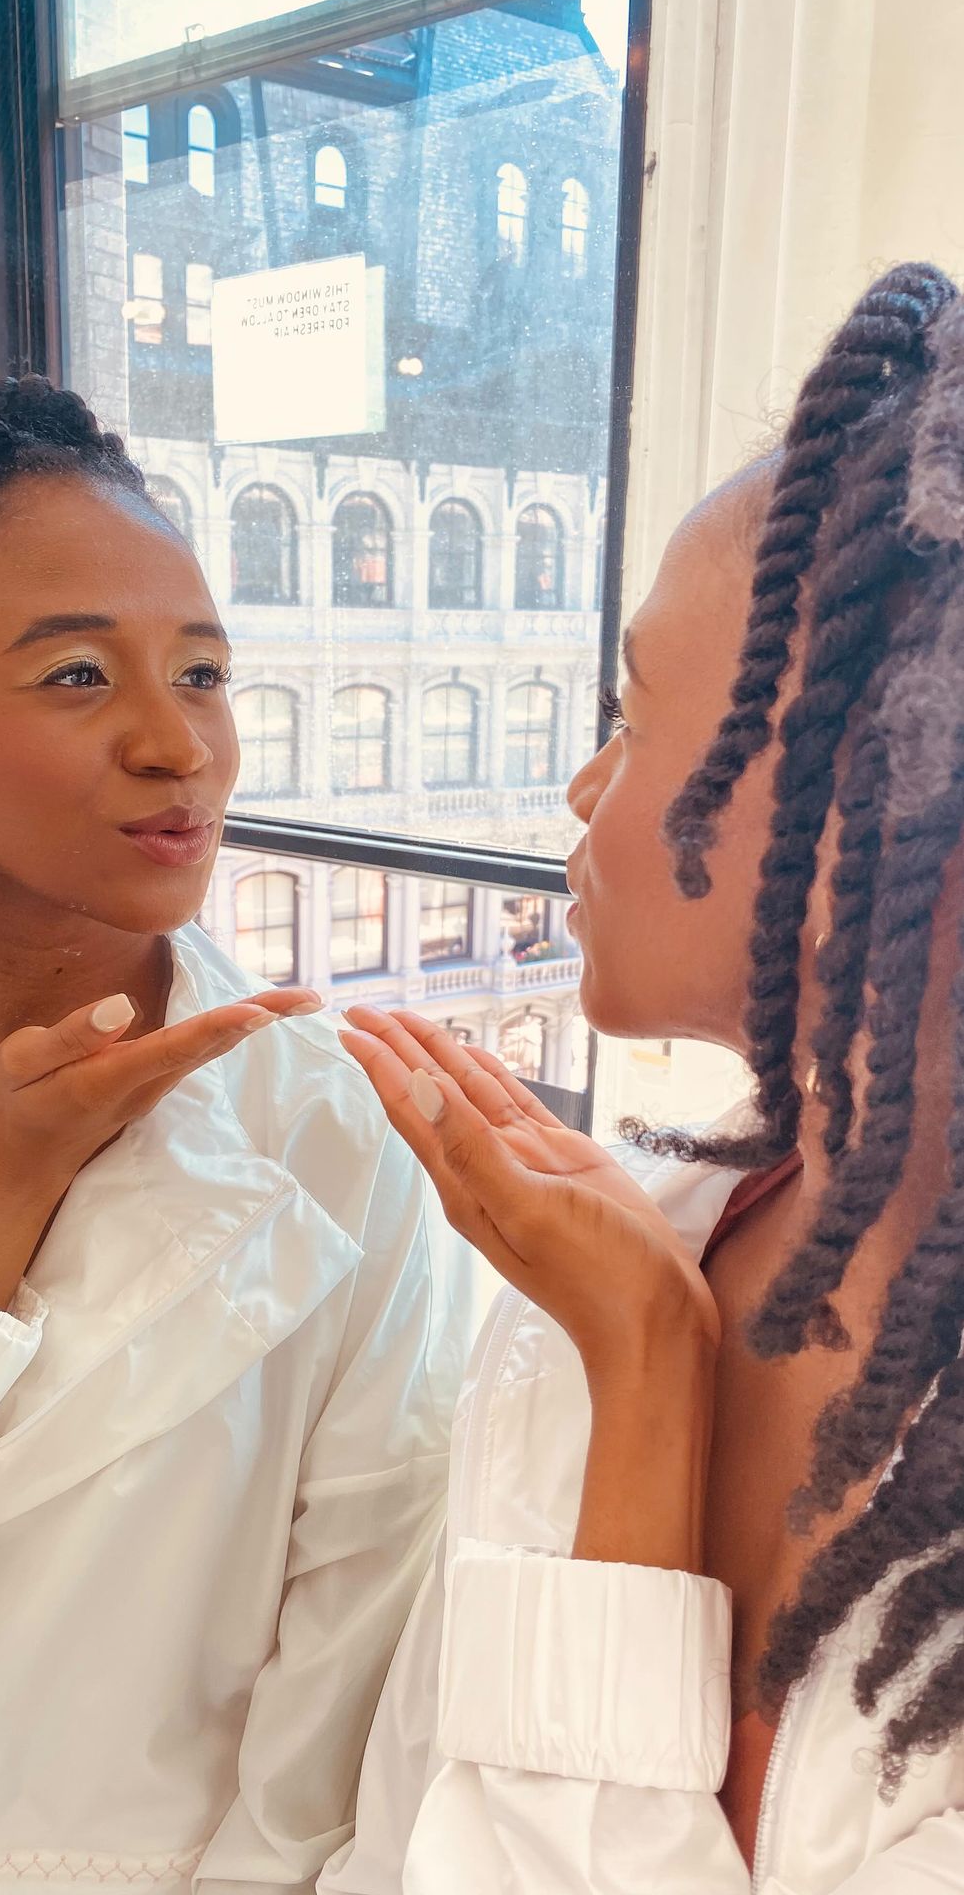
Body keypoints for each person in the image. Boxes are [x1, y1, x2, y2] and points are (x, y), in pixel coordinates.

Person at [320, 261, 964, 1892]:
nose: (582, 784)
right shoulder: (627, 1243)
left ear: (868, 808)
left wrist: (647, 1377)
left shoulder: (612, 1297)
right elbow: (401, 1834)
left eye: (634, 709)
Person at [0, 378, 468, 1895]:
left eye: (203, 673)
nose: (179, 744)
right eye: (79, 675)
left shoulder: (342, 1135)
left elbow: (338, 1728)